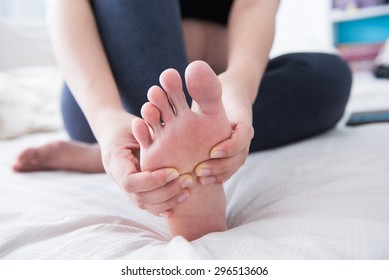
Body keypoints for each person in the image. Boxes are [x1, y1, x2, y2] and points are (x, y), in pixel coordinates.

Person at [13, 0, 352, 241]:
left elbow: (254, 5)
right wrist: (105, 118)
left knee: (330, 76)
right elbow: (65, 6)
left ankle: (152, 150)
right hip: (111, 99)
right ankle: (183, 186)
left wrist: (239, 88)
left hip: (217, 88)